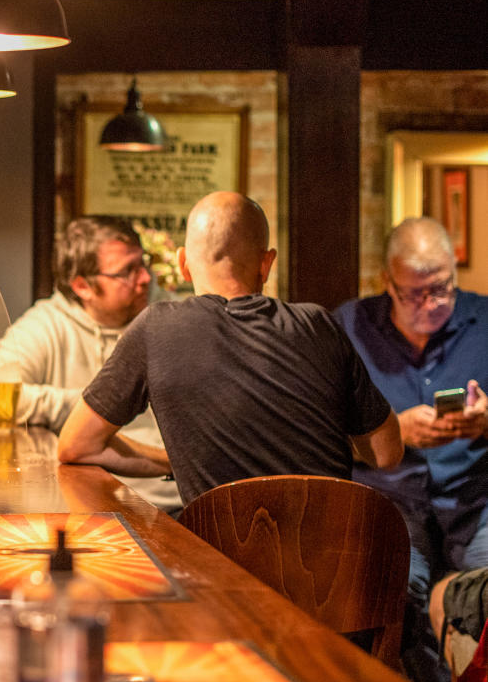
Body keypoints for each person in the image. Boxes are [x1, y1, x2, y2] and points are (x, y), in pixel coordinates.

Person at [57, 191, 403, 506]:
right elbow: (387, 453)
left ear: (183, 263)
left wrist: (171, 459)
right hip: (337, 565)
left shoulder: (157, 329)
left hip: (219, 567)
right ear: (266, 263)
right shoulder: (319, 324)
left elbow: (77, 446)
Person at [335, 216, 488, 682]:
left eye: (441, 288)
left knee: (484, 595)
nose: (431, 304)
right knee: (392, 596)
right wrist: (393, 430)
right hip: (390, 496)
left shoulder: (484, 320)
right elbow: (318, 426)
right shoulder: (348, 325)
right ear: (387, 282)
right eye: (414, 293)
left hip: (474, 497)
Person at [0, 216, 180, 511]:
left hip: (176, 500)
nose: (145, 278)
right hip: (94, 505)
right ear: (83, 286)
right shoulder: (46, 325)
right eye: (127, 271)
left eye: (143, 263)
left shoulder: (168, 316)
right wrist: (92, 408)